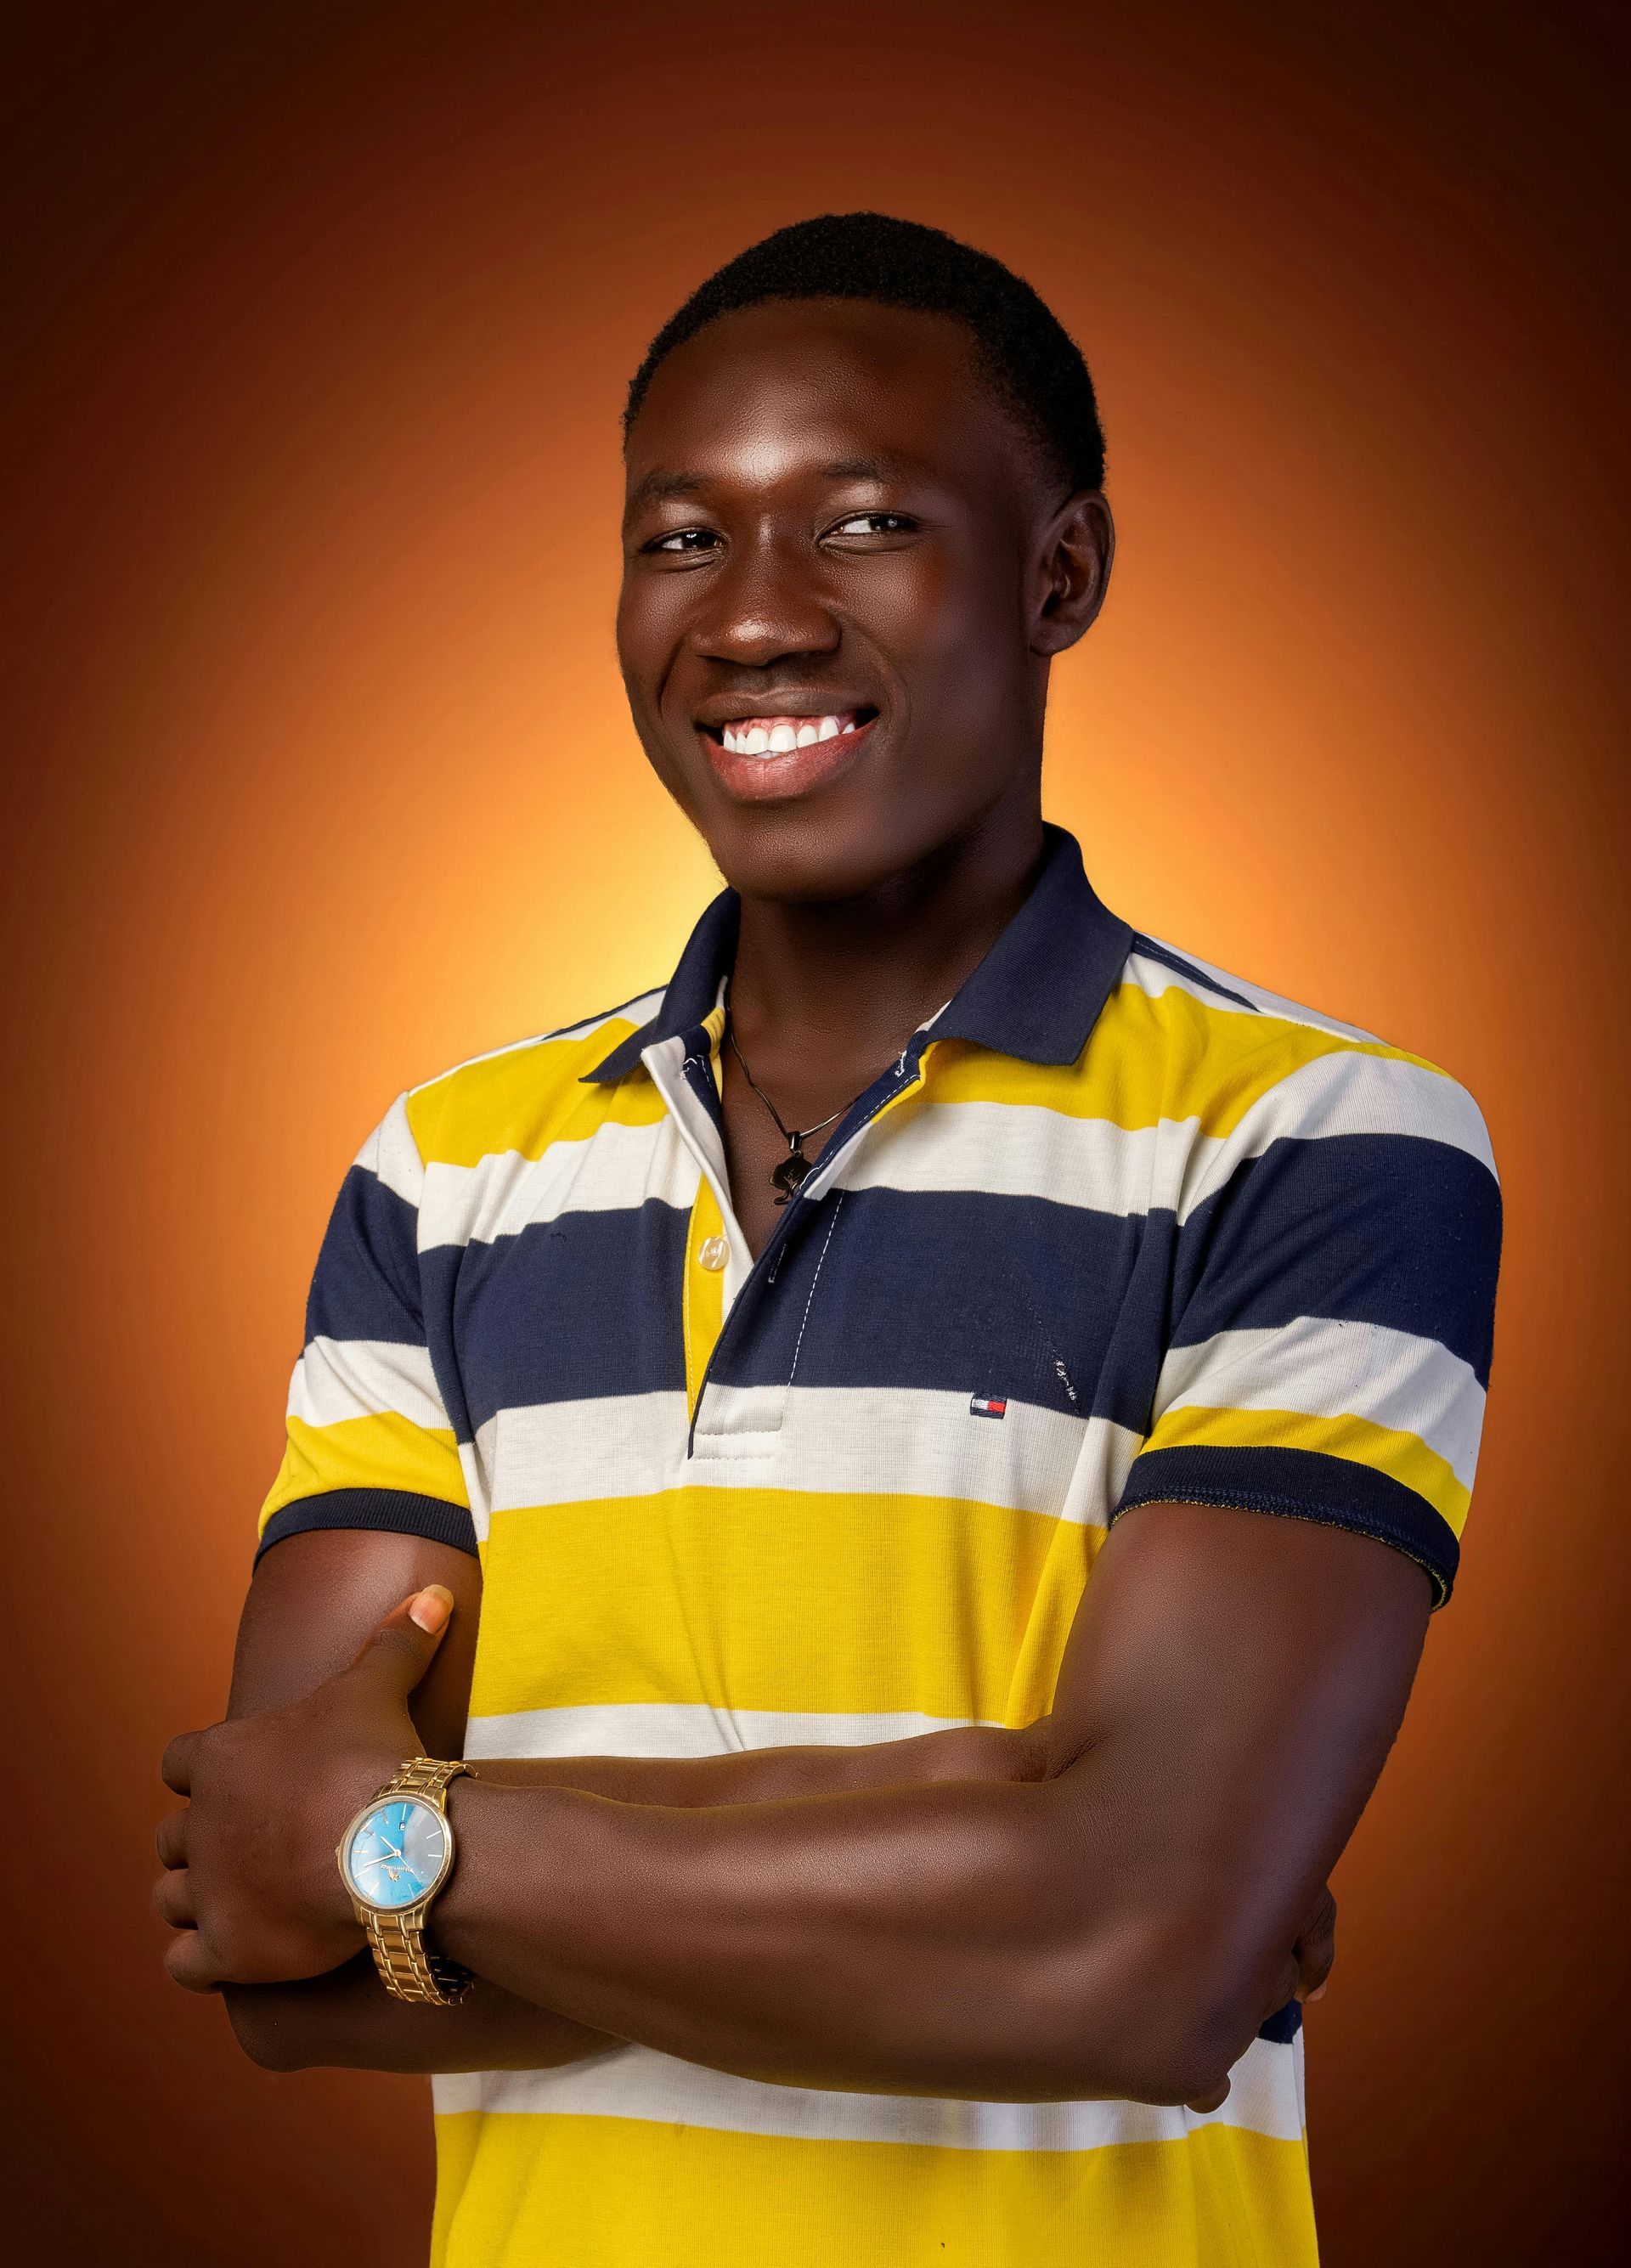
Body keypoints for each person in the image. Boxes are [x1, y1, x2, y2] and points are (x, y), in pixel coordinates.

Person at [155, 212, 1502, 2267]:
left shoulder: (1315, 1141)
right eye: (683, 539)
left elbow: (1134, 1960)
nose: (753, 619)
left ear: (1064, 573)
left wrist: (403, 1841)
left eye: (862, 523)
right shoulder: (444, 1173)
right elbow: (271, 1944)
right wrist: (1006, 1839)